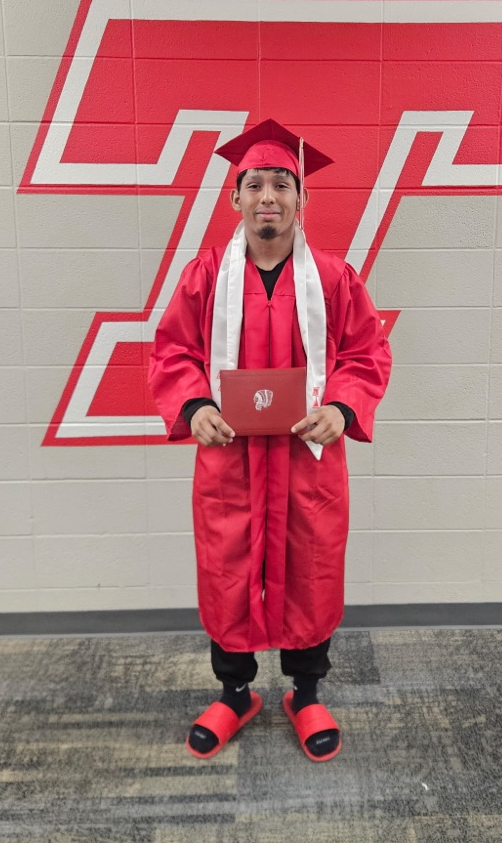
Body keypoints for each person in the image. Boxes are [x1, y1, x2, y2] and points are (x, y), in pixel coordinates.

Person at [148, 118, 392, 762]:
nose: (268, 196)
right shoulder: (204, 277)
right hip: (231, 460)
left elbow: (367, 352)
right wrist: (194, 403)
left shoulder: (335, 280)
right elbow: (173, 350)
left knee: (308, 572)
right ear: (234, 198)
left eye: (282, 184)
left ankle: (305, 692)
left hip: (307, 461)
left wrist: (342, 406)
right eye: (254, 183)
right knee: (228, 571)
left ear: (301, 199)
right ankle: (235, 694)